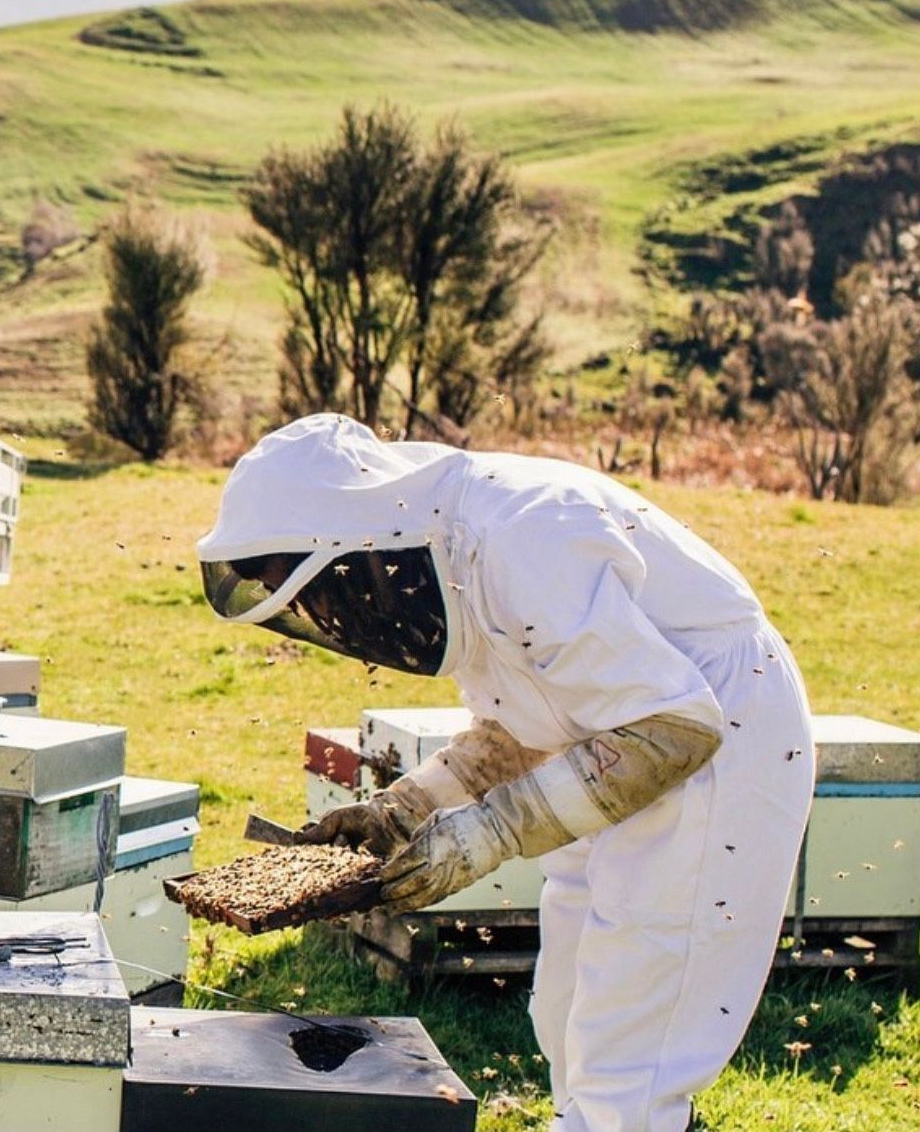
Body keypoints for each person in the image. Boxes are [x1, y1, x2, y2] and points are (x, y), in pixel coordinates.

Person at [198, 412, 815, 1132]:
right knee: (566, 998)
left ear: (345, 545)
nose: (322, 614)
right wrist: (405, 808)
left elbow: (676, 727)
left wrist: (490, 830)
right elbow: (527, 721)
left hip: (714, 740)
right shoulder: (455, 551)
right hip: (616, 740)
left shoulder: (522, 536)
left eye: (304, 588)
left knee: (637, 1026)